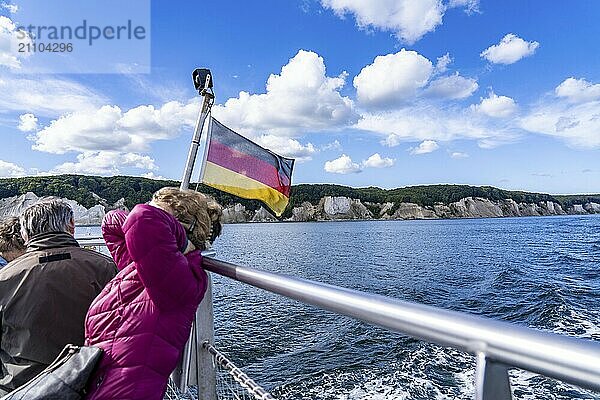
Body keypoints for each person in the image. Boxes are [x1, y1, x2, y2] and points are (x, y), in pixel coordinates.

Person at [84, 187, 223, 400]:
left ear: (178, 225)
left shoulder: (180, 278)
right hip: (104, 386)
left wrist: (182, 239)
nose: (147, 208)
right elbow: (111, 222)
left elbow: (142, 218)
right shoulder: (146, 268)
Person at [0, 198, 117, 394]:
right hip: (91, 383)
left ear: (25, 233)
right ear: (71, 226)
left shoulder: (5, 277)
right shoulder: (106, 268)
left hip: (22, 388)